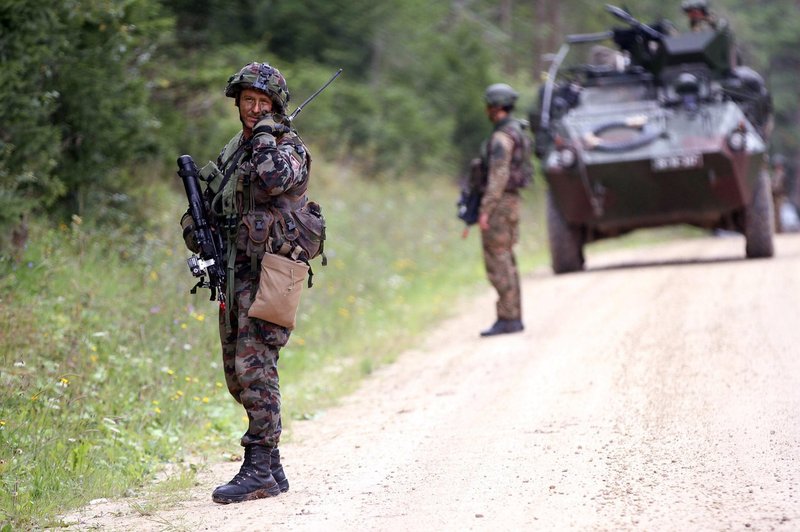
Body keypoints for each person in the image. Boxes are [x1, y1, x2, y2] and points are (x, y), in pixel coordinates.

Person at [180, 61, 314, 504]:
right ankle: (272, 468)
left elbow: (277, 180)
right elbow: (216, 196)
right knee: (236, 375)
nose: (254, 109)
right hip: (235, 271)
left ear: (276, 106)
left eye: (263, 103)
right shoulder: (235, 148)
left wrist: (263, 136)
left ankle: (258, 464)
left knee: (255, 370)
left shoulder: (286, 146)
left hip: (272, 272)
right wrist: (195, 228)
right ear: (238, 102)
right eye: (248, 101)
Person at [476, 83, 530, 337]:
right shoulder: (517, 131)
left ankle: (508, 317)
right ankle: (513, 316)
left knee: (498, 260)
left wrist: (486, 209)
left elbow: (498, 174)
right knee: (506, 258)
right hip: (511, 202)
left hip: (499, 204)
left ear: (496, 107)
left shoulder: (501, 138)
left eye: (489, 105)